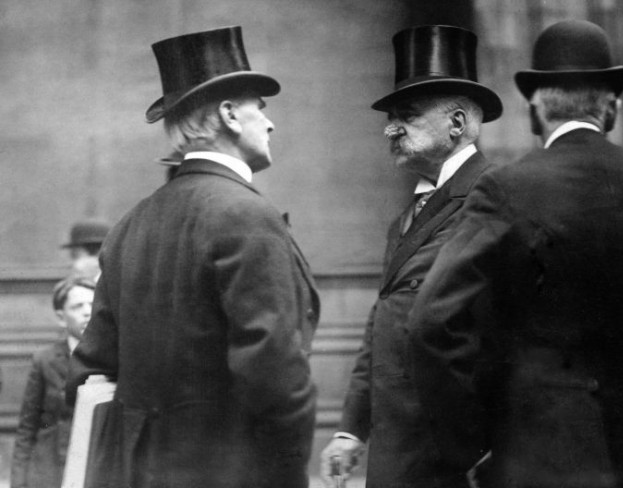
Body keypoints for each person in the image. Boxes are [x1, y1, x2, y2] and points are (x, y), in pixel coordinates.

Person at [407, 20, 623, 488]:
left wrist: (468, 440)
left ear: (535, 111)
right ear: (612, 108)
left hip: (547, 447)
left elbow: (432, 321)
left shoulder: (505, 191)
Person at [66, 26, 319, 488]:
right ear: (229, 115)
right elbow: (274, 375)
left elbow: (88, 369)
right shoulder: (246, 214)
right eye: (260, 108)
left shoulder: (129, 225)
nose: (270, 123)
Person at [320, 25, 503, 488]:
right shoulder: (405, 219)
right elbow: (384, 320)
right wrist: (351, 428)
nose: (390, 128)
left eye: (408, 115)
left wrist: (484, 445)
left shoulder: (496, 199)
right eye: (390, 117)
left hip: (458, 455)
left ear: (457, 123)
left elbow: (510, 331)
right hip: (401, 448)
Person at [12, 276, 96, 488]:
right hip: (52, 470)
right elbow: (27, 428)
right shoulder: (45, 360)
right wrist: (19, 482)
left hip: (96, 467)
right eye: (77, 306)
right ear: (61, 317)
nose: (87, 312)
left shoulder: (116, 358)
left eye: (92, 304)